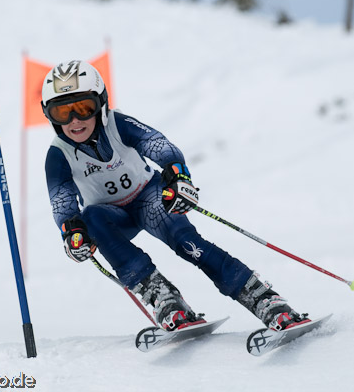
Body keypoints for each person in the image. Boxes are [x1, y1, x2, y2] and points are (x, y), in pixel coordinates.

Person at [42, 60, 311, 332]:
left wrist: (177, 175)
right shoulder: (58, 154)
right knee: (91, 218)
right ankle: (164, 298)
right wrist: (72, 231)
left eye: (83, 108)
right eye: (62, 112)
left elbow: (159, 145)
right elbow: (61, 201)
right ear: (50, 117)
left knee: (188, 244)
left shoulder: (117, 124)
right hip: (112, 218)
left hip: (148, 197)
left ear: (100, 103)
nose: (74, 120)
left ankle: (264, 299)